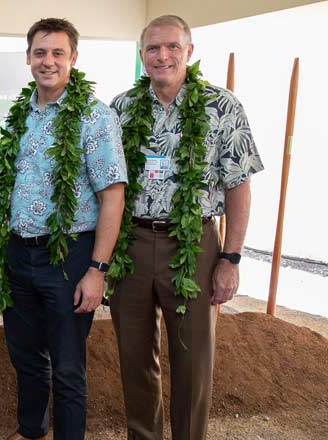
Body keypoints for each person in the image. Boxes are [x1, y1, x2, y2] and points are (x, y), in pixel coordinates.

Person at [109, 15, 263, 440]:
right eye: (153, 48)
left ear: (189, 51)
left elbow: (239, 187)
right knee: (134, 355)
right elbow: (104, 185)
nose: (163, 56)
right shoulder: (120, 109)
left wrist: (230, 258)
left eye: (172, 47)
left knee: (193, 358)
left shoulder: (222, 106)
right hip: (132, 242)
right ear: (142, 56)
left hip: (195, 243)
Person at [0, 18, 127, 440]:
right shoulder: (20, 115)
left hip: (69, 258)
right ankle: (32, 431)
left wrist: (97, 270)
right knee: (25, 356)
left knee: (68, 367)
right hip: (18, 254)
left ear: (73, 58)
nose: (48, 61)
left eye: (57, 53)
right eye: (40, 53)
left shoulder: (94, 116)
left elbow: (113, 195)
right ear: (29, 57)